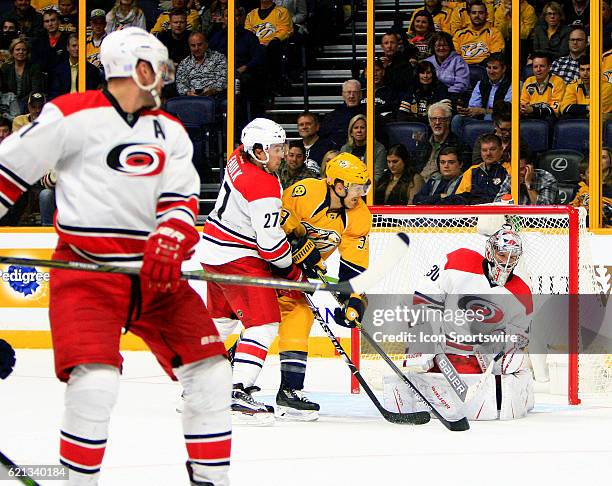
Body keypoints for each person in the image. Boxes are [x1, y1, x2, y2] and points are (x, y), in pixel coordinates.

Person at [0, 27, 232, 486]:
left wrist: (172, 237)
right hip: (86, 272)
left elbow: (181, 203)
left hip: (155, 277)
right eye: (159, 68)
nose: (165, 79)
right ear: (137, 67)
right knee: (95, 384)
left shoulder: (171, 131)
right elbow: (6, 175)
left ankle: (211, 480)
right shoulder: (69, 116)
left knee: (212, 375)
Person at [200, 118, 305, 425]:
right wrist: (292, 271)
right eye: (276, 148)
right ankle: (236, 392)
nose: (282, 154)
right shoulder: (264, 185)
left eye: (282, 147)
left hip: (212, 250)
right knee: (264, 325)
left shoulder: (237, 156)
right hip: (238, 257)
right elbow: (271, 248)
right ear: (257, 150)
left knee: (221, 322)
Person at [384, 225, 533, 421]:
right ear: (490, 250)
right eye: (502, 254)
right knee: (419, 342)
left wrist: (503, 344)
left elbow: (521, 337)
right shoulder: (458, 261)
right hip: (444, 350)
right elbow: (425, 297)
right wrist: (430, 336)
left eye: (512, 257)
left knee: (513, 361)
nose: (506, 263)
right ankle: (418, 387)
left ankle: (494, 395)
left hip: (479, 358)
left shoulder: (522, 292)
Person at [276, 153, 371, 419]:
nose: (360, 194)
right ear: (338, 185)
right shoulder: (304, 192)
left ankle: (289, 391)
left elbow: (354, 267)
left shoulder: (359, 216)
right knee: (260, 322)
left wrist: (354, 299)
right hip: (263, 264)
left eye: (364, 187)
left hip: (295, 277)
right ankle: (222, 377)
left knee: (298, 315)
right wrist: (295, 245)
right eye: (356, 187)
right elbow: (270, 221)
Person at [451, 53, 511, 136]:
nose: (491, 71)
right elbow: (473, 106)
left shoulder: (513, 84)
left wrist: (483, 111)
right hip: (480, 118)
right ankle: (460, 147)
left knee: (488, 117)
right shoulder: (481, 83)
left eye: (495, 68)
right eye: (489, 67)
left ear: (503, 69)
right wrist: (468, 111)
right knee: (457, 119)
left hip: (501, 121)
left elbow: (507, 112)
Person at [415, 101, 469, 180]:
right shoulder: (423, 143)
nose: (437, 122)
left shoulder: (460, 145)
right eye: (434, 119)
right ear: (429, 122)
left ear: (448, 121)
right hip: (418, 182)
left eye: (441, 119)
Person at [455, 133, 510, 203]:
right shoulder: (472, 171)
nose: (488, 153)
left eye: (492, 149)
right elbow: (459, 198)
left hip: (499, 211)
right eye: (484, 150)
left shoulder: (510, 169)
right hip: (473, 211)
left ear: (501, 150)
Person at [494, 149, 559, 204]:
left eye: (521, 169)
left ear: (531, 166)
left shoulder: (547, 179)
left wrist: (528, 184)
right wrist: (512, 187)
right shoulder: (512, 176)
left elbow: (545, 209)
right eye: (515, 169)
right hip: (517, 217)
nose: (517, 173)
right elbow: (497, 203)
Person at [48, 33, 102, 99]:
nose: (77, 48)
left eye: (80, 46)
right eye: (74, 46)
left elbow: (91, 95)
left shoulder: (92, 70)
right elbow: (54, 94)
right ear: (67, 48)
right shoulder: (58, 70)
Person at [175, 31, 227, 97]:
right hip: (191, 99)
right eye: (193, 46)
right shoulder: (184, 63)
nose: (196, 48)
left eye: (199, 45)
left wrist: (212, 90)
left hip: (215, 97)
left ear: (206, 44)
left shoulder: (219, 58)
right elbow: (180, 83)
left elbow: (223, 80)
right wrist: (188, 92)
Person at [397, 60, 449, 124]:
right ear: (417, 74)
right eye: (422, 73)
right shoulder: (412, 88)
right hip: (414, 126)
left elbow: (447, 113)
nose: (425, 76)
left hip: (434, 125)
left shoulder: (441, 88)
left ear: (433, 74)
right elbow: (401, 114)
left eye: (428, 72)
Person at [452, 0, 504, 65]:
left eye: (481, 13)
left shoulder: (494, 33)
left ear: (486, 15)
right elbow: (454, 57)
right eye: (474, 13)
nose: (477, 15)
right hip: (464, 69)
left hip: (484, 69)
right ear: (469, 14)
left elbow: (495, 56)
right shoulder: (459, 35)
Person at [520, 51, 566, 123]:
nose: (538, 69)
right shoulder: (528, 81)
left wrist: (533, 110)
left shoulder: (558, 82)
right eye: (535, 66)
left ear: (549, 67)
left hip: (549, 118)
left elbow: (555, 110)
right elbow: (523, 102)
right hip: (530, 116)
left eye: (542, 66)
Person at [339, 114, 387, 182]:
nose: (359, 130)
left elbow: (378, 175)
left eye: (362, 127)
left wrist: (364, 187)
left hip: (370, 187)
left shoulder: (379, 149)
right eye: (356, 128)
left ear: (368, 130)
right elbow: (341, 172)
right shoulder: (345, 149)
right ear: (351, 132)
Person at [0, 38, 43, 111]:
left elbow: (35, 90)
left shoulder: (34, 67)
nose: (21, 52)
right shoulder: (6, 67)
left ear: (27, 52)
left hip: (27, 101)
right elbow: (3, 88)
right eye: (17, 50)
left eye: (24, 50)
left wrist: (19, 102)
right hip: (8, 100)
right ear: (12, 52)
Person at [319, 79, 365, 147]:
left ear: (360, 94)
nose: (351, 96)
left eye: (355, 92)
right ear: (343, 94)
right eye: (348, 92)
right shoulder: (332, 117)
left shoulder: (369, 113)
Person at [425, 31, 470, 96]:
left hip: (454, 96)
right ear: (433, 47)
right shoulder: (428, 61)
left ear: (450, 46)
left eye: (445, 45)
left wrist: (446, 94)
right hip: (431, 96)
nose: (441, 48)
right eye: (438, 45)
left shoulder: (458, 61)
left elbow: (462, 84)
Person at [560, 54, 589, 118]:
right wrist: (587, 107)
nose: (585, 74)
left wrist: (578, 110)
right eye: (582, 69)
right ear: (578, 71)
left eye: (589, 69)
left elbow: (602, 110)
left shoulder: (604, 86)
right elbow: (565, 108)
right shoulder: (572, 85)